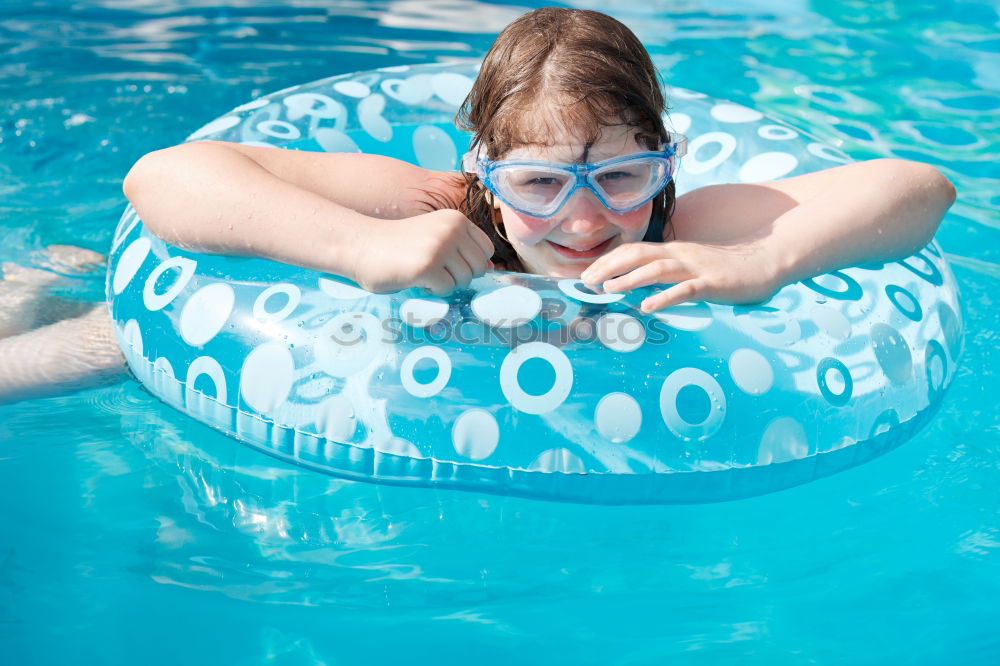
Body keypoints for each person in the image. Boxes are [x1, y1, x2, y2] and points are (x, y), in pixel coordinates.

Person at [0, 8, 955, 403]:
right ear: (486, 173)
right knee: (96, 349)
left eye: (620, 177)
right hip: (310, 334)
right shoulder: (441, 203)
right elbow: (163, 176)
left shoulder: (692, 226)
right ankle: (42, 284)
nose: (585, 219)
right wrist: (354, 248)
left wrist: (757, 263)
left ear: (668, 164)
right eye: (540, 183)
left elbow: (922, 189)